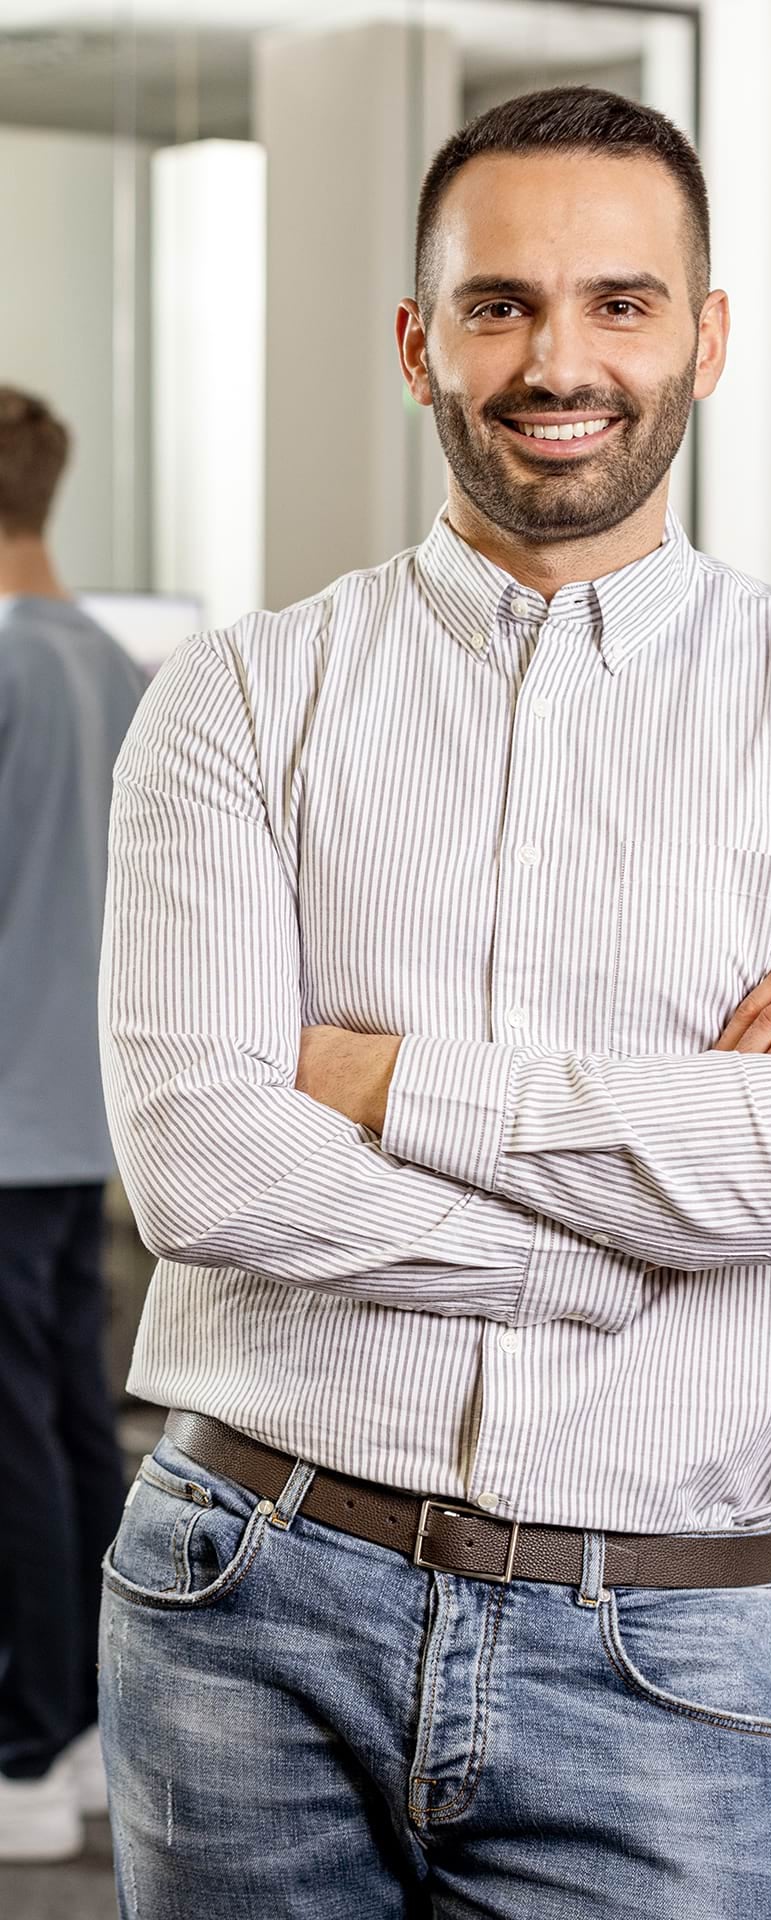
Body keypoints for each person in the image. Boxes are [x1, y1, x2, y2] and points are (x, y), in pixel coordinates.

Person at [98, 88, 771, 1919]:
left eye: (620, 302)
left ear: (708, 337)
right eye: (498, 303)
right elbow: (203, 1166)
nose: (555, 359)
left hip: (654, 1647)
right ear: (421, 339)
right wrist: (641, 1225)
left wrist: (380, 1078)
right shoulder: (240, 698)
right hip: (242, 1600)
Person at [0, 386, 145, 1861]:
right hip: (78, 1113)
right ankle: (94, 1717)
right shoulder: (115, 662)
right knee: (68, 1418)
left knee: (16, 1441)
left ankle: (27, 1750)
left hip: (4, 1121)